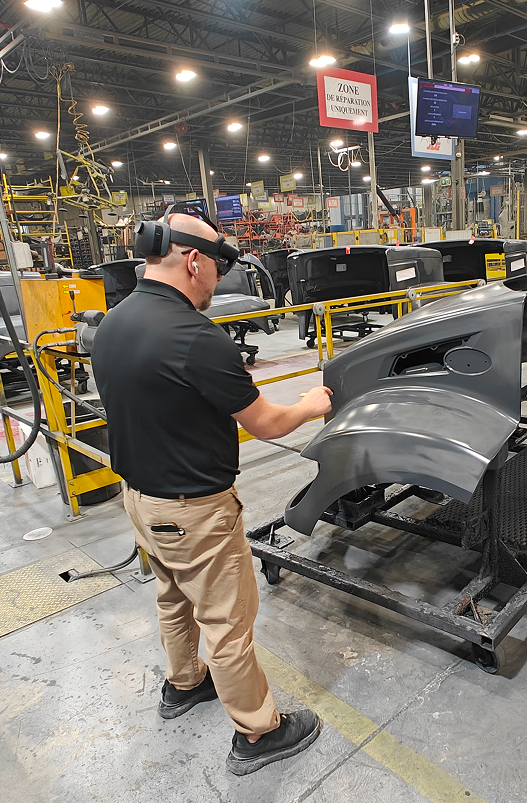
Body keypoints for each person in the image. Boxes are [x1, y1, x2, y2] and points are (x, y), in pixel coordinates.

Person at [91, 212, 333, 775]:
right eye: (217, 271)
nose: (217, 285)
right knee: (227, 624)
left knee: (174, 598)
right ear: (193, 260)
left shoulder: (115, 321)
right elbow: (268, 423)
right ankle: (257, 734)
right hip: (195, 512)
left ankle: (183, 686)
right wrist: (309, 405)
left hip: (142, 501)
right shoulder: (198, 339)